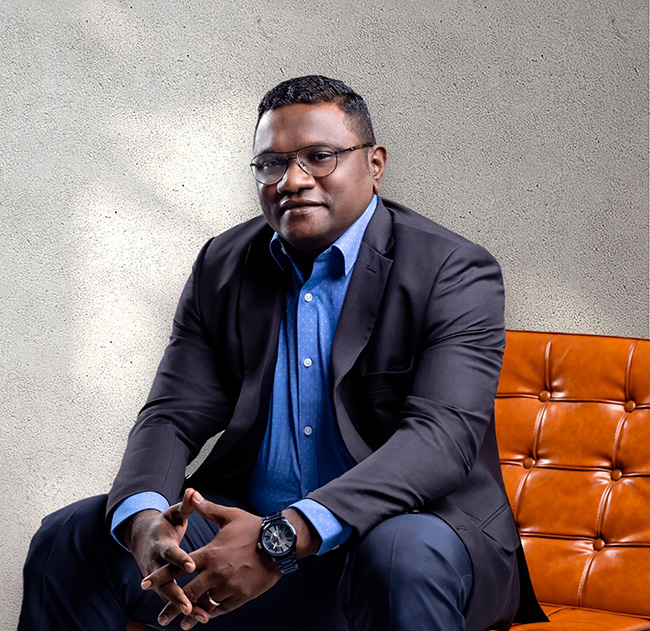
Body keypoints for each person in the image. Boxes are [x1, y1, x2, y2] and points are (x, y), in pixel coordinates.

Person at [19, 75, 545, 631]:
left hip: (408, 542)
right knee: (71, 537)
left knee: (400, 554)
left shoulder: (453, 270)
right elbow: (172, 414)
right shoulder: (223, 264)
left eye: (319, 157)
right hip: (254, 545)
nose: (292, 180)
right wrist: (145, 521)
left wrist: (284, 535)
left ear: (375, 164)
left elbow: (440, 440)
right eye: (271, 164)